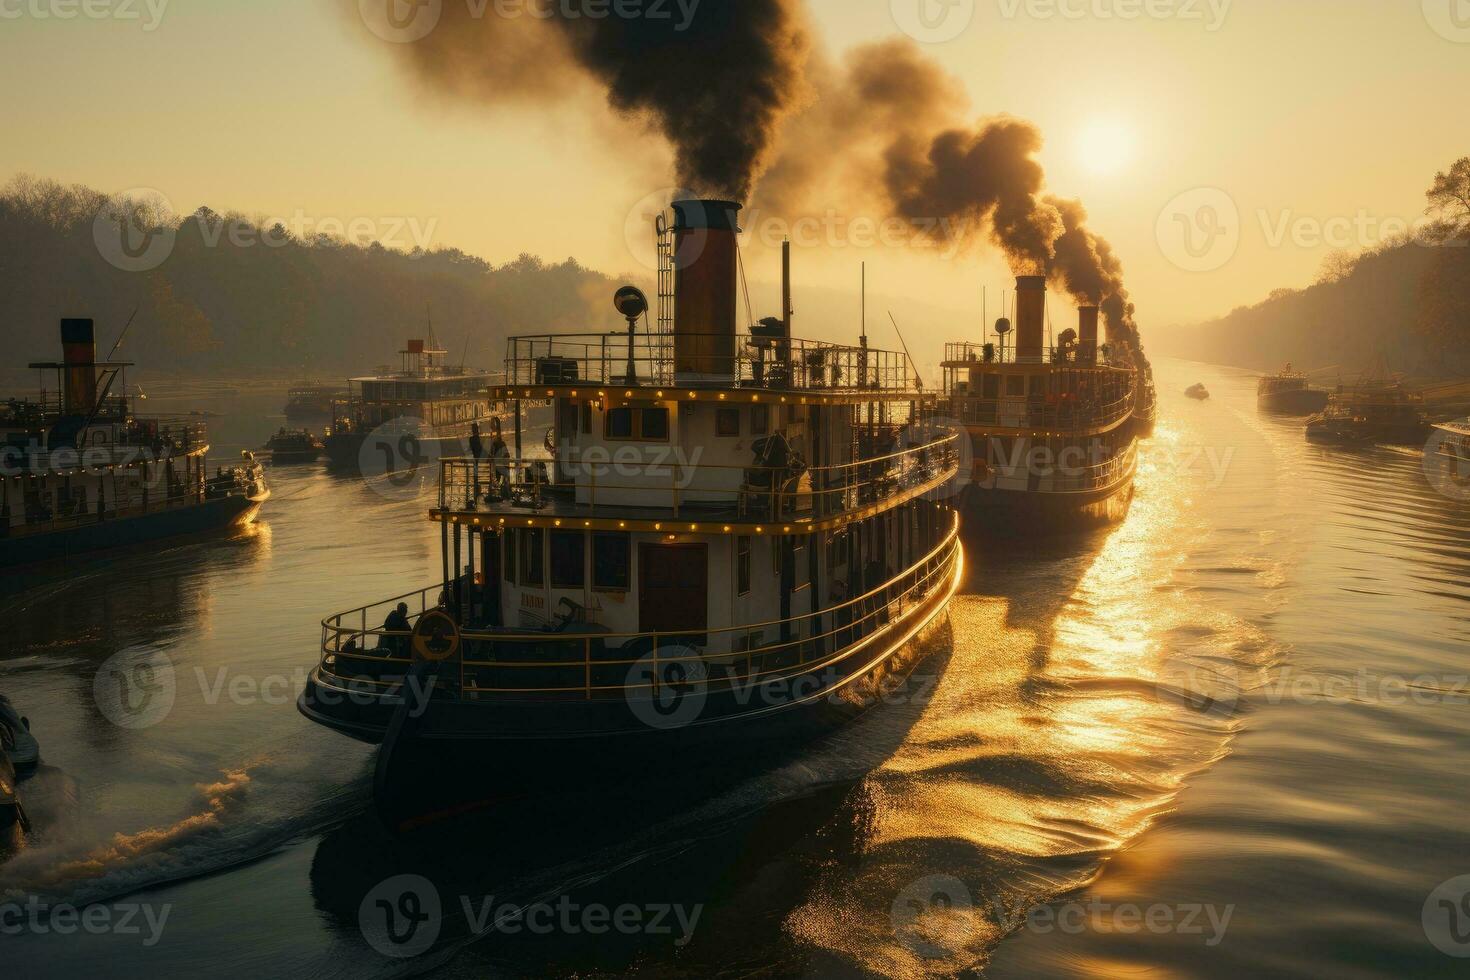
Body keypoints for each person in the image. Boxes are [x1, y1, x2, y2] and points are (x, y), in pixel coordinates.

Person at [490, 419, 510, 500]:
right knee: (504, 479)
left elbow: (492, 454)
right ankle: (505, 493)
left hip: (498, 465)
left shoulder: (495, 444)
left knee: (497, 479)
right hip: (504, 465)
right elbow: (507, 454)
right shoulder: (502, 443)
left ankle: (497, 494)